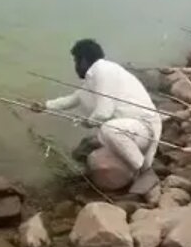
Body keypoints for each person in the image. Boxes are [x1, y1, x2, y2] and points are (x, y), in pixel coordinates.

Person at [31, 39, 163, 183]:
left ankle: (142, 170)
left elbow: (104, 112)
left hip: (144, 129)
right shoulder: (94, 79)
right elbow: (72, 100)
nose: (75, 66)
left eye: (76, 61)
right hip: (134, 131)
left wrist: (88, 122)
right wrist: (44, 106)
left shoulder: (102, 70)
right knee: (102, 135)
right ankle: (133, 167)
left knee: (108, 129)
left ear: (84, 60)